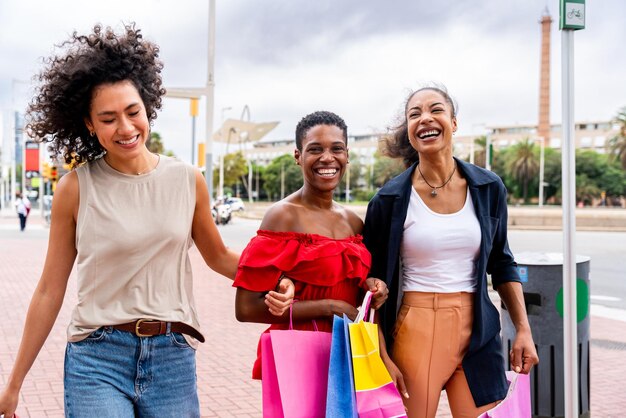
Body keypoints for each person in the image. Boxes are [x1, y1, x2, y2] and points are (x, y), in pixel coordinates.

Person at [0, 24, 293, 418]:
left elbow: (219, 255)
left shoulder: (188, 179)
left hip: (172, 356)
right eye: (107, 118)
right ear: (89, 124)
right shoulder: (75, 188)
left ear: (147, 106)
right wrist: (14, 383)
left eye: (132, 111)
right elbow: (50, 289)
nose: (125, 128)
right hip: (96, 358)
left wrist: (281, 278)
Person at [363, 85, 539, 418]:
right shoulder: (388, 200)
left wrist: (523, 330)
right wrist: (382, 353)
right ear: (410, 133)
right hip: (416, 328)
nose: (425, 118)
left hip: (479, 330)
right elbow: (371, 285)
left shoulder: (488, 187)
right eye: (414, 114)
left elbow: (502, 262)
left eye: (436, 109)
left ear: (453, 123)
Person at [233, 110, 388, 381]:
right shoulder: (283, 216)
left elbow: (353, 292)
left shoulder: (353, 222)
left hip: (351, 355)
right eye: (315, 149)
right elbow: (246, 309)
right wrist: (330, 307)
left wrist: (373, 288)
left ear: (347, 155)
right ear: (298, 156)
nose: (327, 158)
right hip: (300, 357)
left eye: (336, 149)